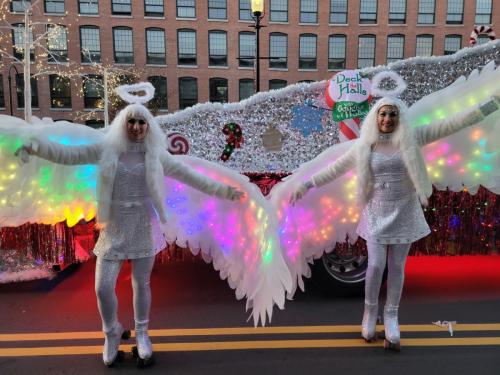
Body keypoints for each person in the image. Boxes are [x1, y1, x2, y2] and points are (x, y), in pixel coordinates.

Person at [15, 84, 244, 366]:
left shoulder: (156, 156)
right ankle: (111, 333)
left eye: (141, 122)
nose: (136, 126)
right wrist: (37, 148)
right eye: (131, 121)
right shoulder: (106, 149)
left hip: (143, 227)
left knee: (141, 284)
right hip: (114, 228)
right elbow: (68, 156)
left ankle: (143, 333)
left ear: (149, 127)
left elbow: (190, 176)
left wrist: (224, 191)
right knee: (102, 286)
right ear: (123, 123)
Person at [290, 94, 499, 351]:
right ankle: (369, 313)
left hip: (405, 210)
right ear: (375, 117)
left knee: (397, 266)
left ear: (399, 117)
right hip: (376, 212)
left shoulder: (413, 137)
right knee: (376, 265)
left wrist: (491, 104)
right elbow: (335, 169)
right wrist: (307, 184)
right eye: (382, 114)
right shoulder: (364, 146)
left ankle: (391, 316)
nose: (387, 119)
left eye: (392, 114)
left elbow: (453, 123)